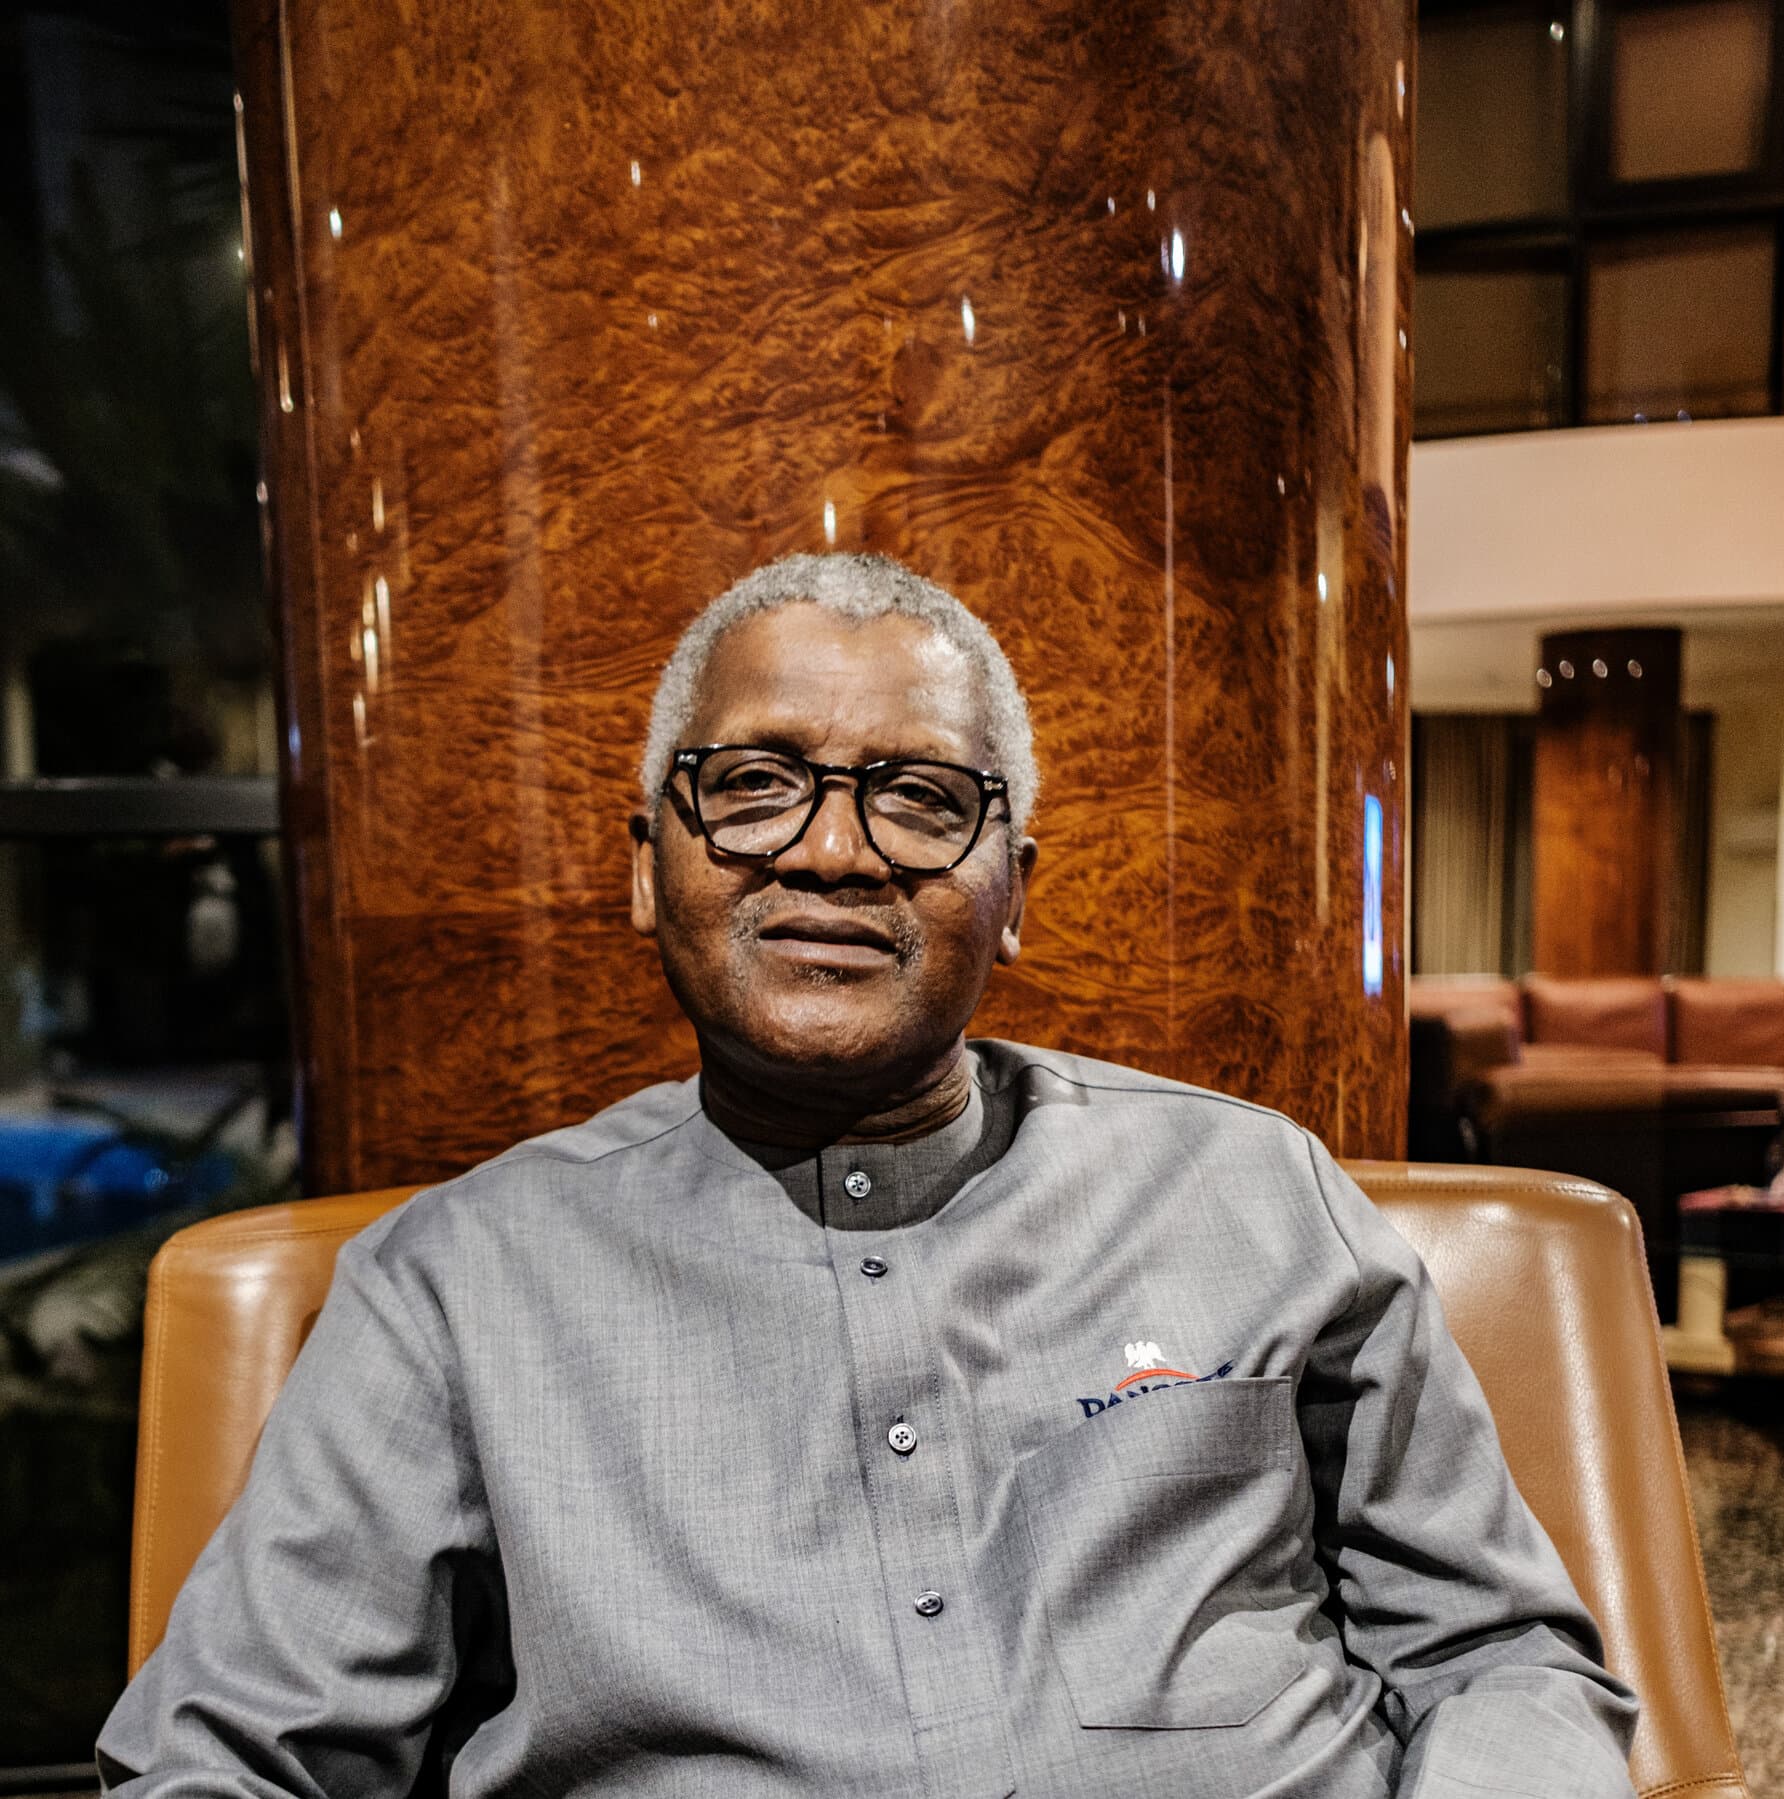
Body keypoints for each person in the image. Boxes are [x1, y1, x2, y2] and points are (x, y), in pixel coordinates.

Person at [98, 553, 1637, 1798]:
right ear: (649, 862)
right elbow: (221, 1763)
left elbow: (1504, 1658)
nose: (834, 853)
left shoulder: (1253, 1191)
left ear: (1014, 889)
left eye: (920, 798)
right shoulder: (455, 1288)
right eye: (758, 783)